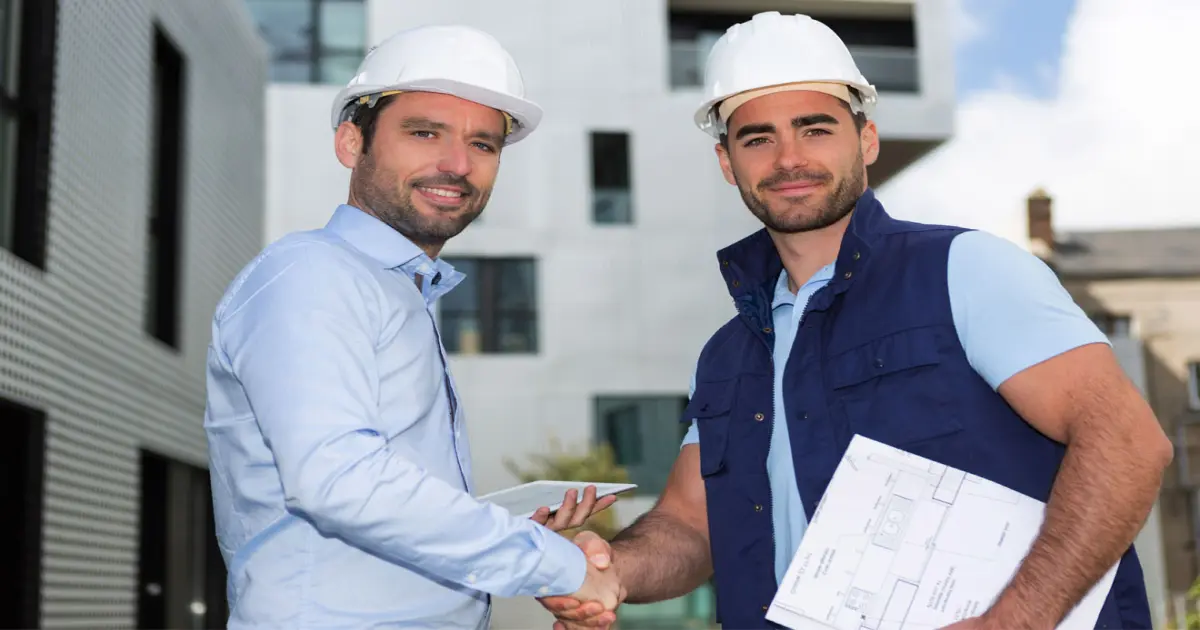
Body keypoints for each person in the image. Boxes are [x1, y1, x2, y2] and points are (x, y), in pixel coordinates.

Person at [541, 11, 1173, 630]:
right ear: (728, 163)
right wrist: (610, 569)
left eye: (815, 129)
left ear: (865, 140)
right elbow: (690, 523)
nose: (789, 158)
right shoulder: (728, 355)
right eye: (757, 138)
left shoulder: (965, 270)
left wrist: (1016, 619)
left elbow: (1127, 443)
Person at [203, 24, 620, 629]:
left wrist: (503, 533)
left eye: (483, 145)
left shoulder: (396, 291)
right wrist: (555, 565)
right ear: (352, 143)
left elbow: (374, 498)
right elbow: (339, 479)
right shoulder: (311, 274)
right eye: (425, 133)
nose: (456, 164)